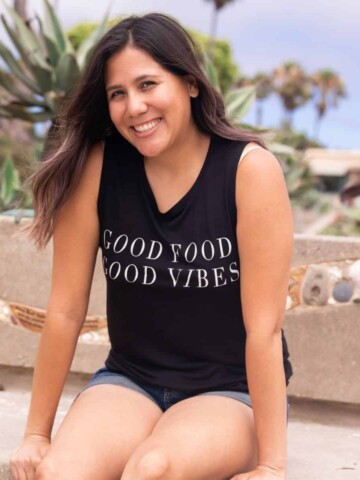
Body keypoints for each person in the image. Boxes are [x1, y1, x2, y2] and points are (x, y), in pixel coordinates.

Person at [10, 12, 294, 480]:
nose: (134, 107)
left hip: (229, 392)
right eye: (117, 94)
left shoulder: (249, 171)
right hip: (130, 381)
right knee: (59, 472)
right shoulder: (98, 168)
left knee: (152, 468)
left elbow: (263, 329)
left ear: (190, 84)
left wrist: (270, 465)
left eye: (148, 85)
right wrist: (37, 437)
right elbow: (63, 309)